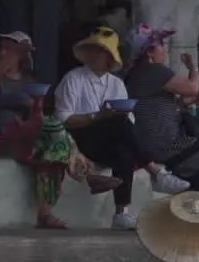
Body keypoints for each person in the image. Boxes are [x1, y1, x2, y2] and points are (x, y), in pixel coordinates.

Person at [0, 31, 122, 229]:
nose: (4, 52)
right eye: (3, 48)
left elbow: (38, 117)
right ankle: (87, 174)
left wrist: (37, 112)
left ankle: (45, 213)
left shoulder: (30, 82)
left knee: (55, 149)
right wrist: (13, 53)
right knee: (53, 130)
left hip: (27, 137)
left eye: (9, 48)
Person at [55, 26, 190, 231]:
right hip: (79, 138)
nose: (94, 55)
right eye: (92, 50)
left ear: (109, 57)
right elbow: (63, 119)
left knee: (124, 151)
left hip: (107, 140)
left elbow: (129, 120)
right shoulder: (73, 78)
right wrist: (97, 116)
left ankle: (121, 213)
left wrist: (109, 119)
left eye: (100, 51)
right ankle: (155, 170)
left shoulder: (116, 83)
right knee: (117, 121)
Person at [124, 24, 199, 204]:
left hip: (151, 143)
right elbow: (193, 88)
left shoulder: (133, 75)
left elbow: (157, 105)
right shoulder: (155, 70)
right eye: (161, 44)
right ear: (150, 53)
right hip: (168, 144)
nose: (165, 49)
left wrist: (183, 103)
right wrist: (193, 68)